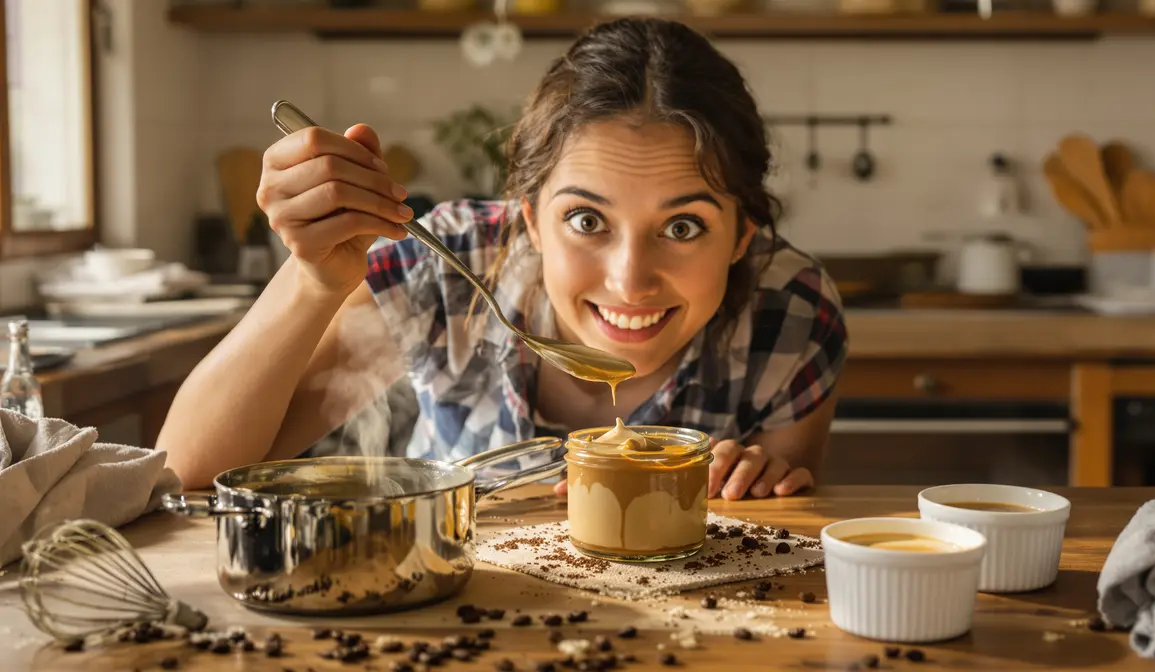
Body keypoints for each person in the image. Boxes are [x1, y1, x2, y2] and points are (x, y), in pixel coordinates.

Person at [159, 17, 848, 501]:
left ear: (742, 236)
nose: (629, 279)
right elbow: (185, 473)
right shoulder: (445, 267)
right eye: (586, 220)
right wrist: (311, 283)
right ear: (529, 223)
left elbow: (773, 533)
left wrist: (756, 481)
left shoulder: (790, 313)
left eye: (685, 226)